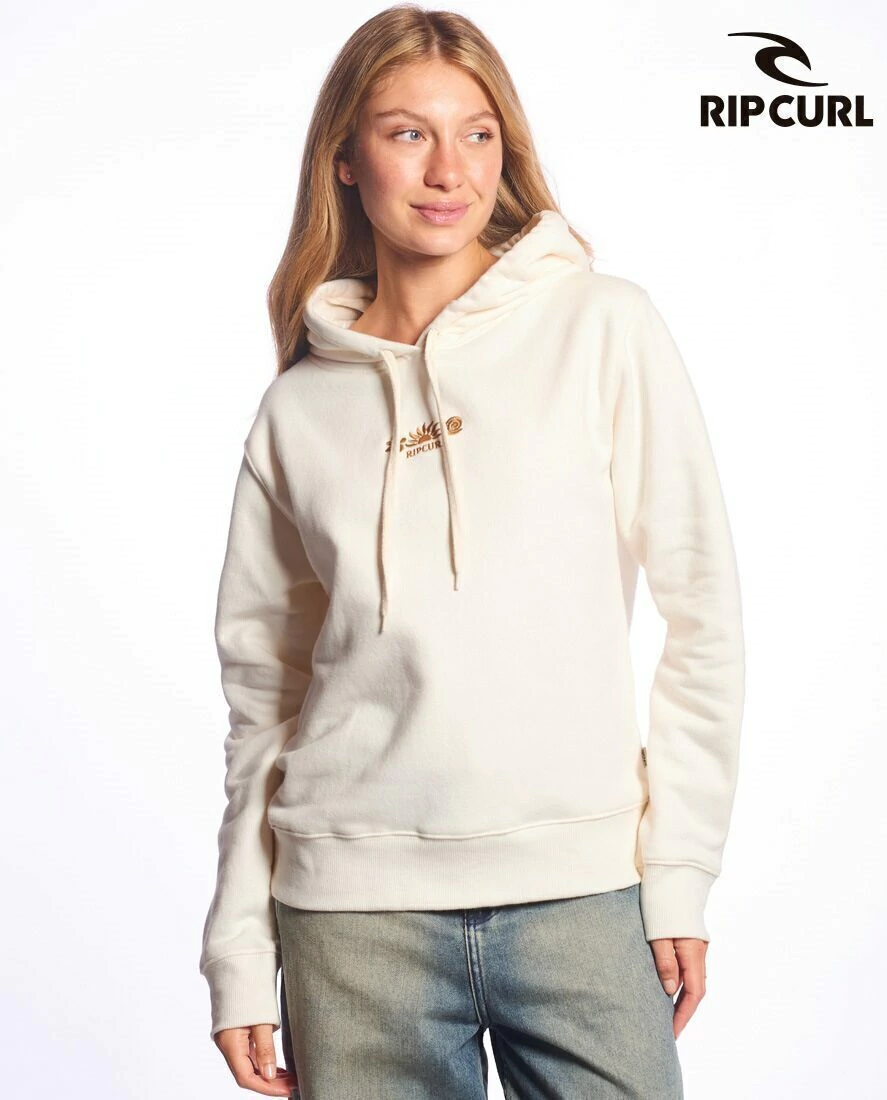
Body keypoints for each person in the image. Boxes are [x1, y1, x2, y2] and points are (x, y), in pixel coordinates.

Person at [198, 5, 746, 1098]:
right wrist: (238, 951)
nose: (449, 170)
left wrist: (679, 867)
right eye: (408, 133)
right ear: (345, 158)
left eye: (478, 133)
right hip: (350, 916)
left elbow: (704, 612)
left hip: (583, 884)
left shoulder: (602, 326)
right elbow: (264, 696)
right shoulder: (299, 409)